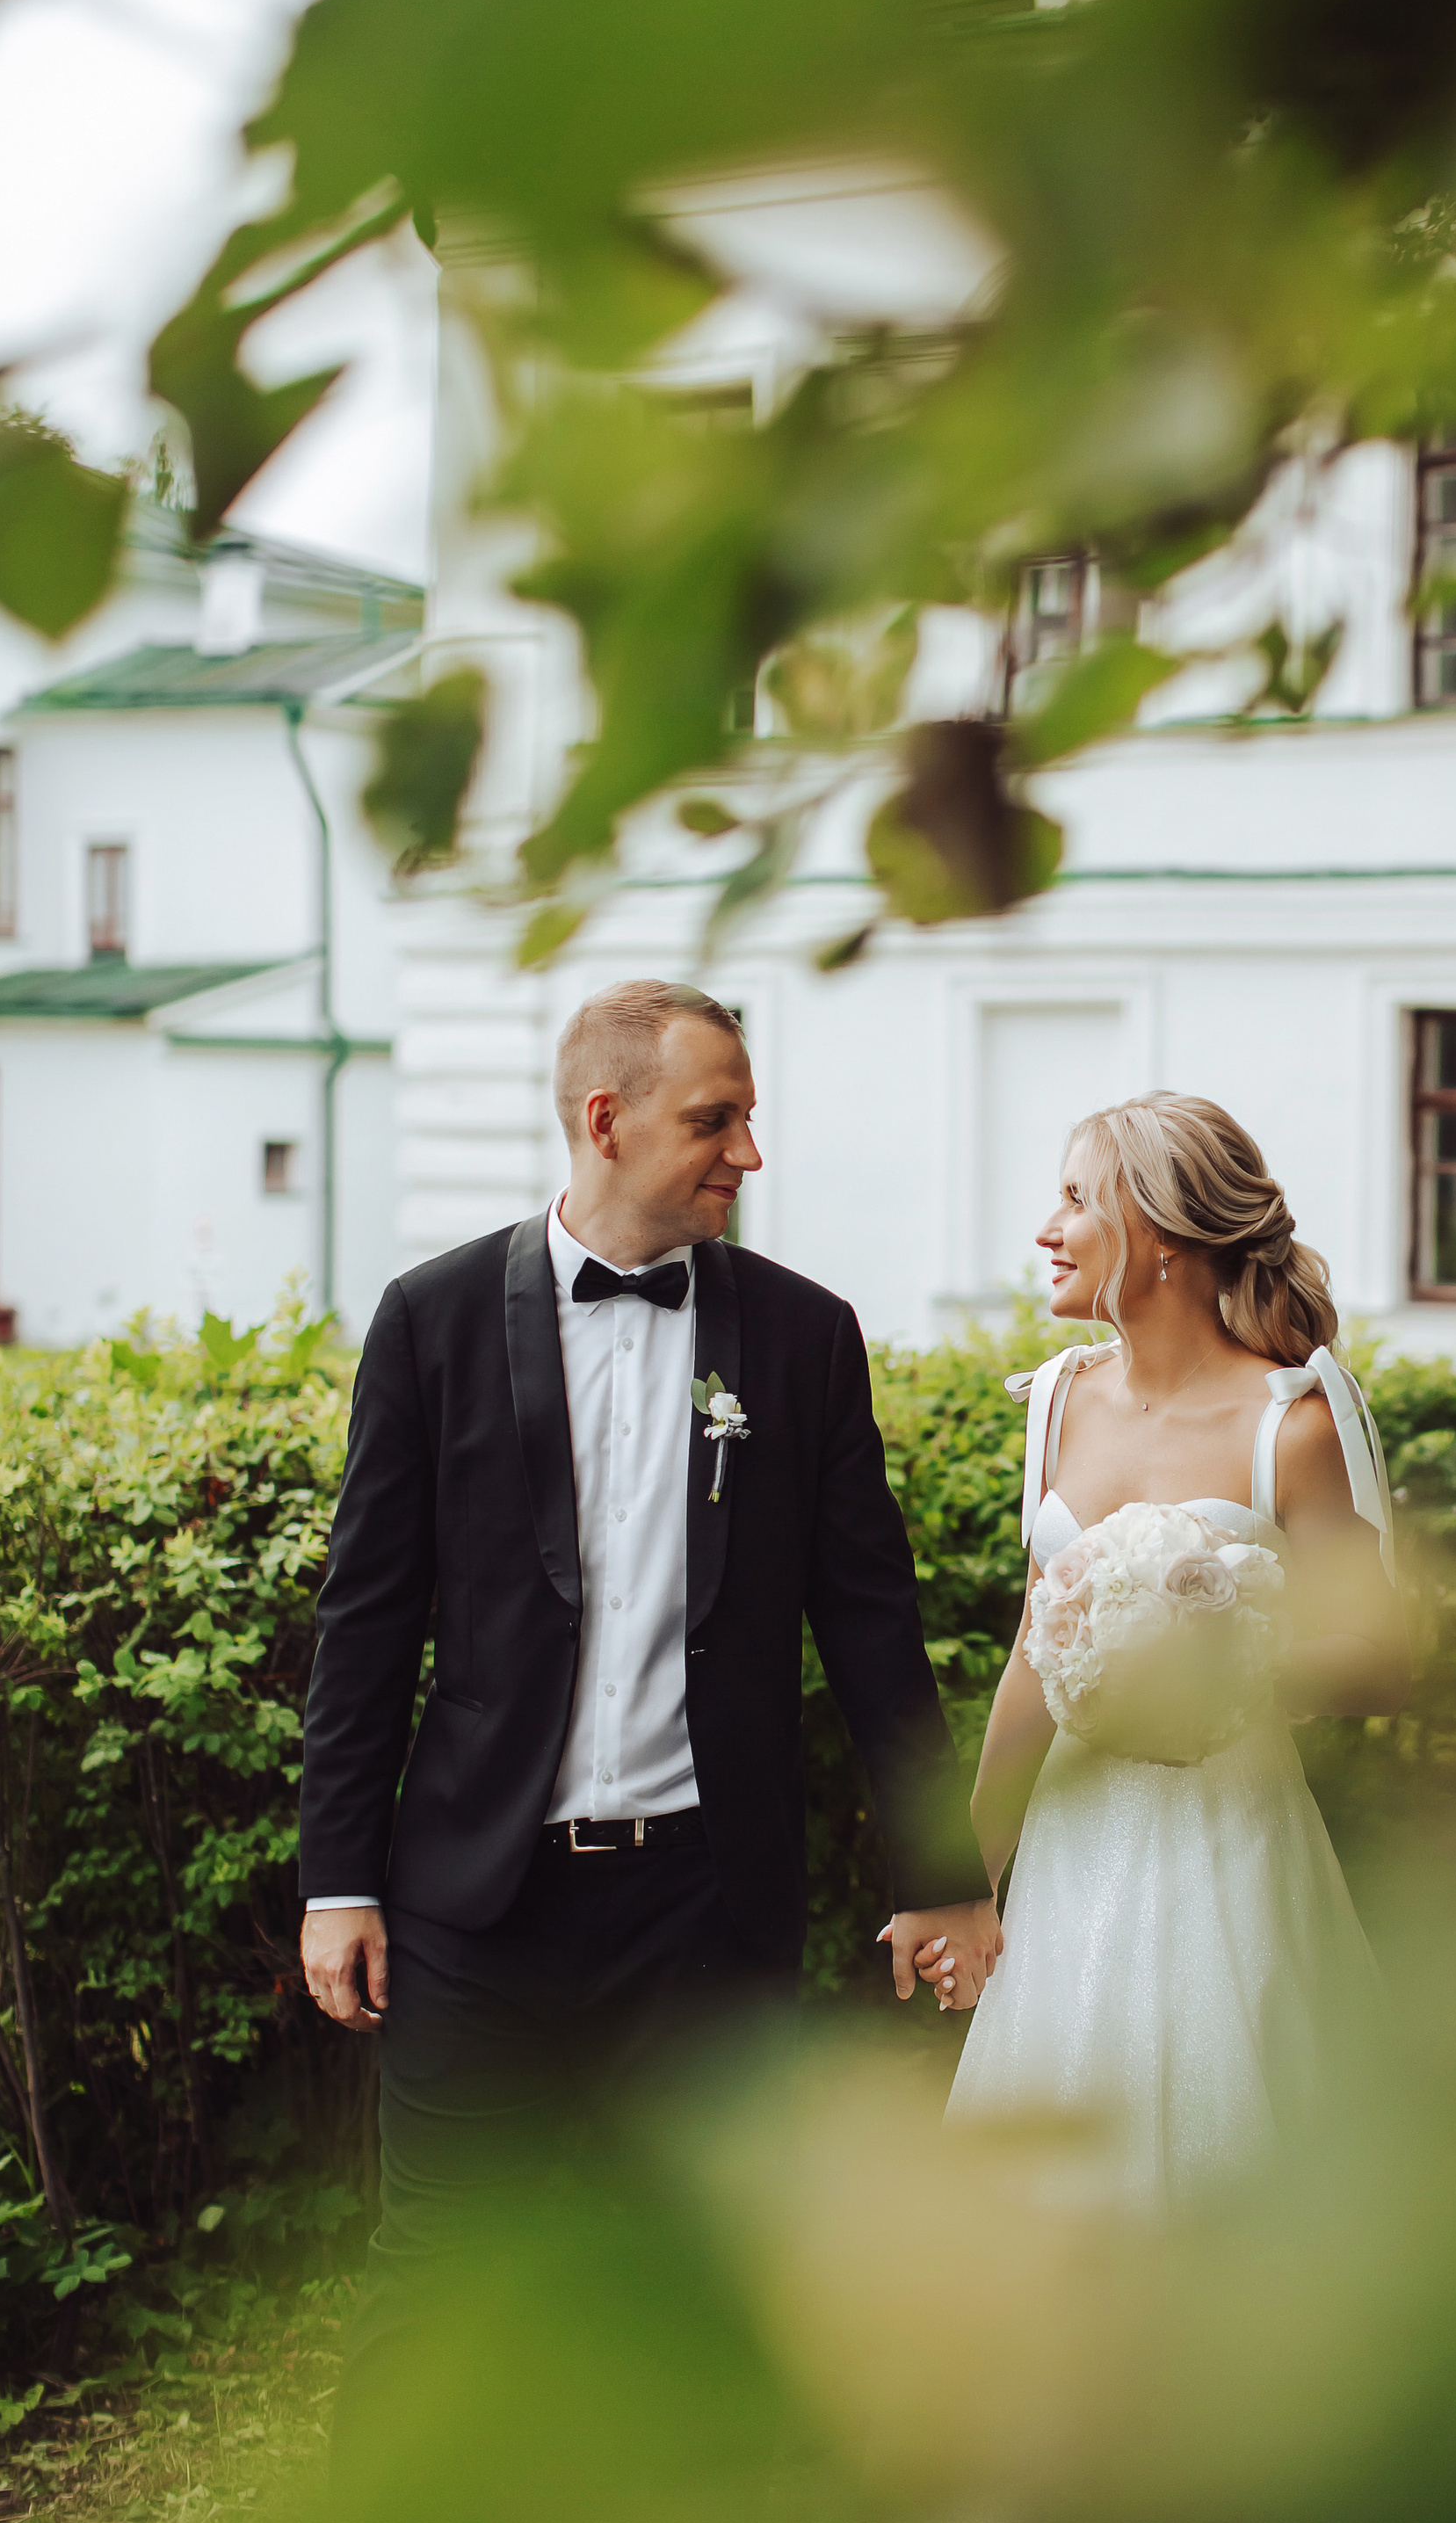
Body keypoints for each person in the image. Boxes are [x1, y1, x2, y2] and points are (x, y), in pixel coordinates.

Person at [298, 979, 1000, 2334]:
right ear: (606, 1120)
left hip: (703, 1902)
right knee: (438, 2276)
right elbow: (369, 1621)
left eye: (747, 1118)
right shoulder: (428, 1322)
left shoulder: (802, 1337)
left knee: (709, 2275)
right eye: (715, 1119)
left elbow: (869, 1622)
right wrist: (338, 1880)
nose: (747, 1152)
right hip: (473, 1908)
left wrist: (940, 1877)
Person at [949, 1092, 1409, 2206]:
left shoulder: (1290, 1422)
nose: (1046, 1230)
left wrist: (1218, 1654)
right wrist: (966, 1875)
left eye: (1073, 1199)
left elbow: (1381, 1661)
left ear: (1158, 1235)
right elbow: (1033, 1646)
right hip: (1070, 1844)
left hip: (1230, 1850)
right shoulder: (1055, 1401)